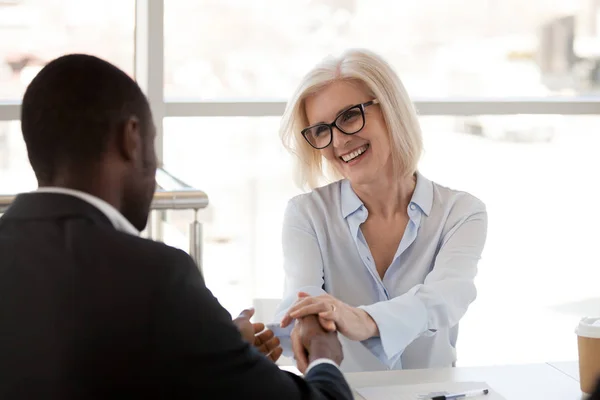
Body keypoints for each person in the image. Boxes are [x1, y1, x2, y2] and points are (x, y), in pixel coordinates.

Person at [0, 54, 352, 400]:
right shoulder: (155, 276)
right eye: (153, 144)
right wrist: (324, 355)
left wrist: (220, 353)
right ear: (132, 138)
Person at [273, 48, 488, 372]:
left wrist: (365, 320)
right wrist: (304, 322)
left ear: (390, 109)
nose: (338, 141)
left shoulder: (460, 213)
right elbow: (301, 299)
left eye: (349, 116)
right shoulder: (307, 214)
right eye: (321, 130)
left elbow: (447, 296)